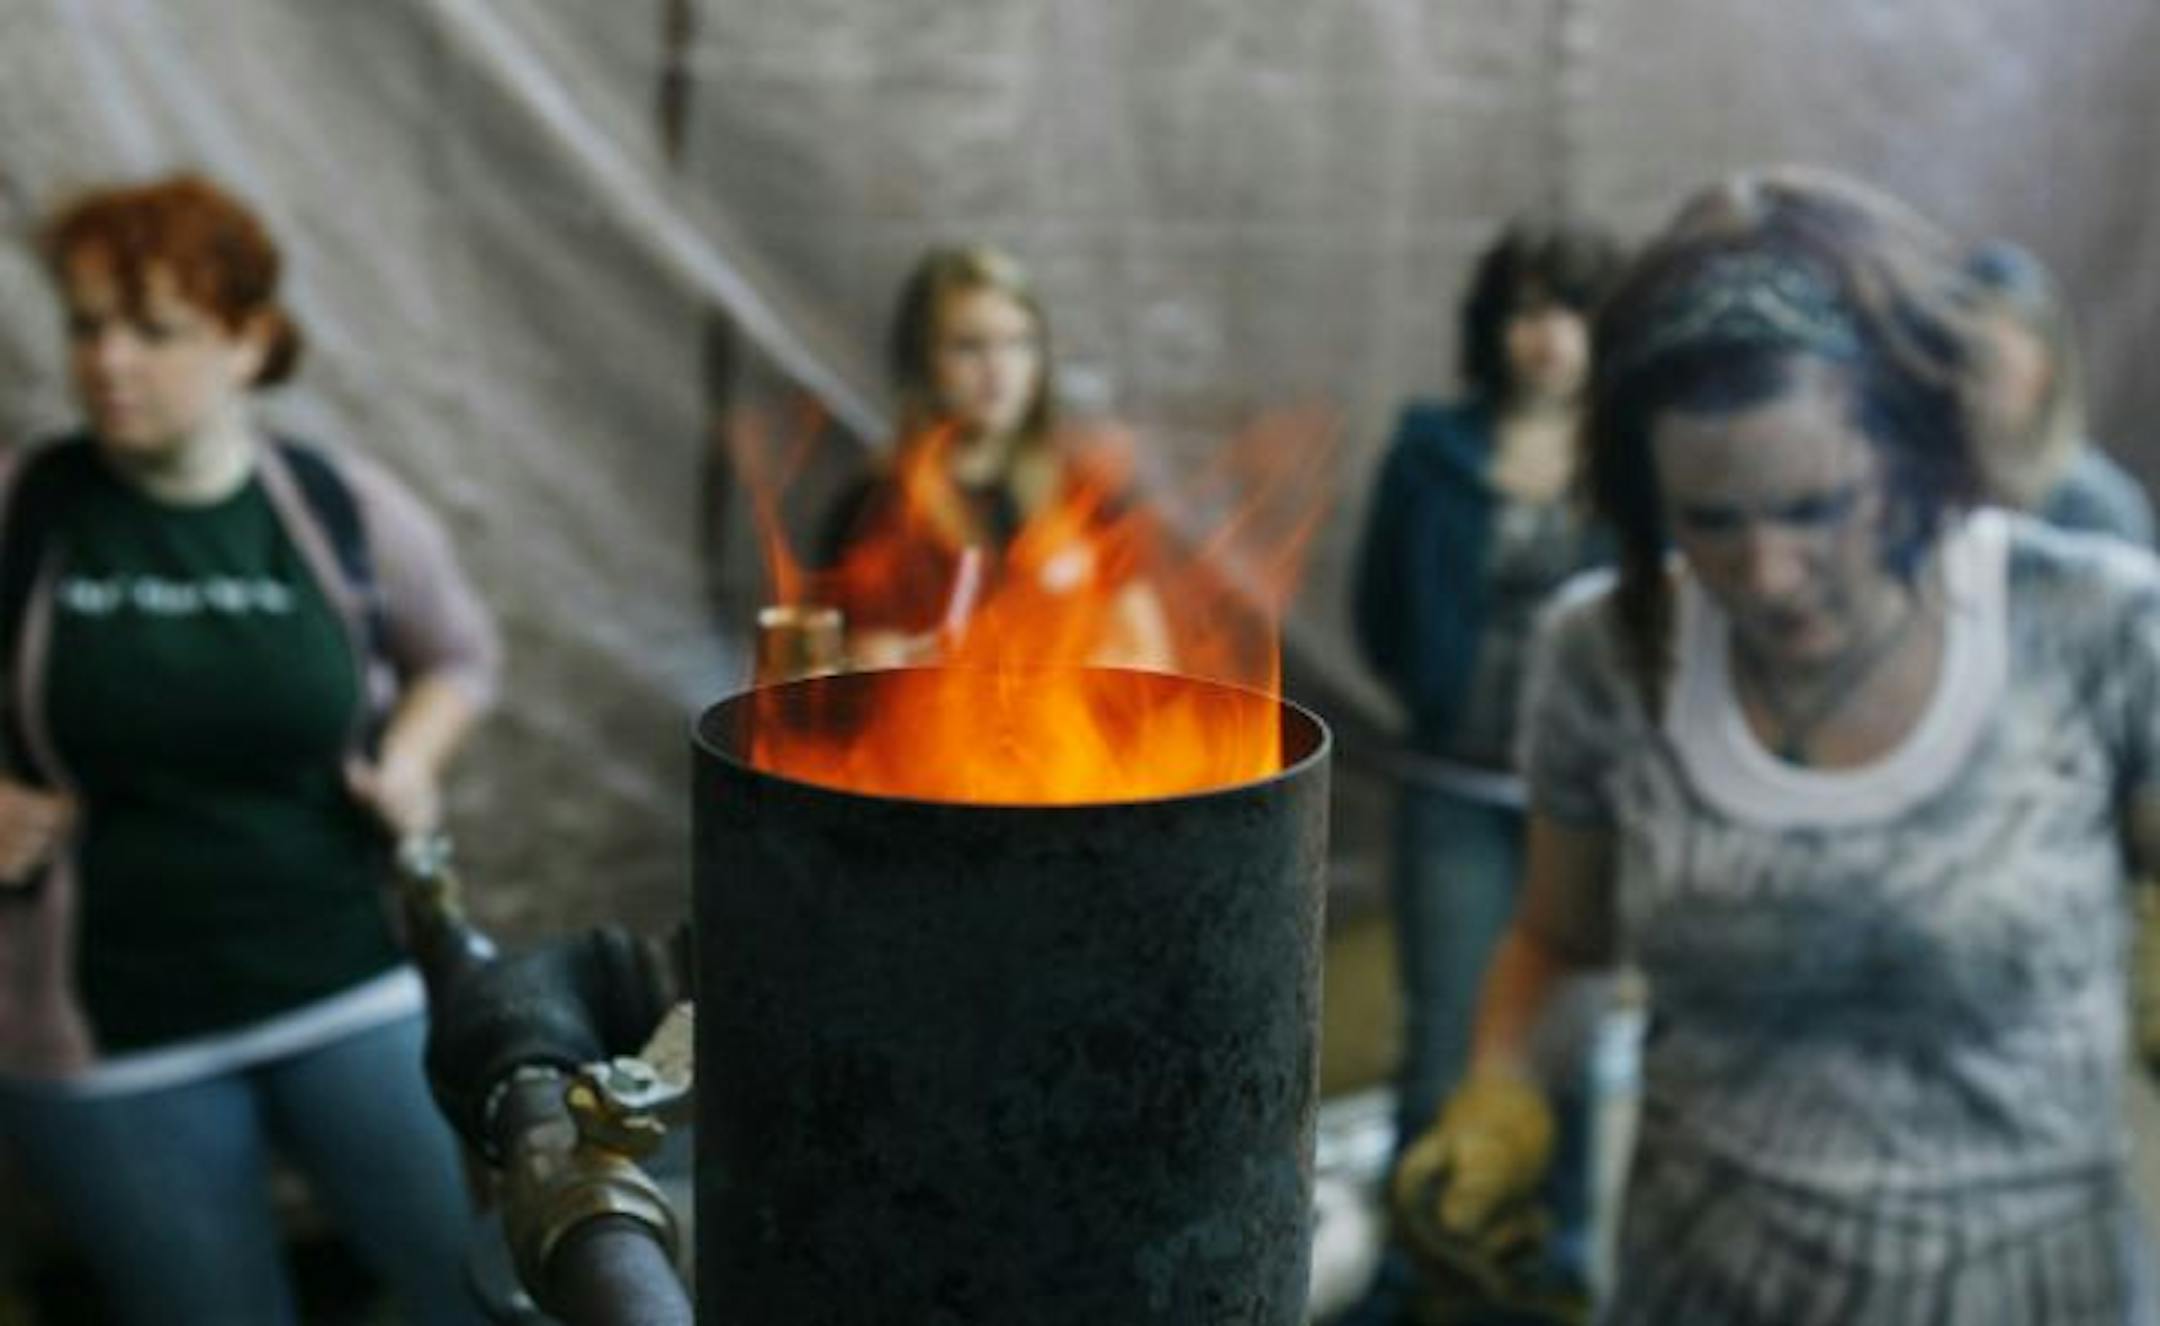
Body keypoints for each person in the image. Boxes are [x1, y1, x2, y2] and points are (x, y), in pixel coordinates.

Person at [1393, 166, 2160, 1324]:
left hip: (2027, 1286)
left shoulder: (2092, 625)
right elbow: (1562, 939)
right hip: (1708, 1281)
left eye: (1816, 508)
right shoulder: (1606, 653)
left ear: (1912, 451)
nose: (1766, 574)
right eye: (1711, 520)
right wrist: (1500, 1097)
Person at [0, 174, 498, 1325]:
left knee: (479, 1289)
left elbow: (462, 655)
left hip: (348, 981)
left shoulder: (339, 507)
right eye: (86, 326)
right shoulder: (29, 511)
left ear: (247, 340)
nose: (108, 362)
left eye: (154, 330)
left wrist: (415, 758)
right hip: (109, 1038)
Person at [1347, 217, 1624, 1321]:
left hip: (1593, 802)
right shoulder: (1431, 449)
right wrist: (1433, 690)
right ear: (1492, 328)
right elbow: (1377, 608)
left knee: (1573, 1044)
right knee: (1443, 1045)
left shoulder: (1637, 460)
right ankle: (1411, 1269)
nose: (1546, 337)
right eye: (1523, 310)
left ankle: (1558, 1266)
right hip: (1455, 786)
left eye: (1570, 310)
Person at [814, 244, 1173, 672]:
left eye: (1018, 343)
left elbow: (1150, 655)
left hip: (1069, 734)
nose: (998, 369)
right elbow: (873, 674)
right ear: (923, 361)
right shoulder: (879, 509)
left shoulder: (1080, 495)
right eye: (969, 346)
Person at [1962, 238, 2154, 545]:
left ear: (2046, 370)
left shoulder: (2097, 509)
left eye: (2003, 366)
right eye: (1974, 357)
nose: (1983, 389)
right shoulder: (1929, 497)